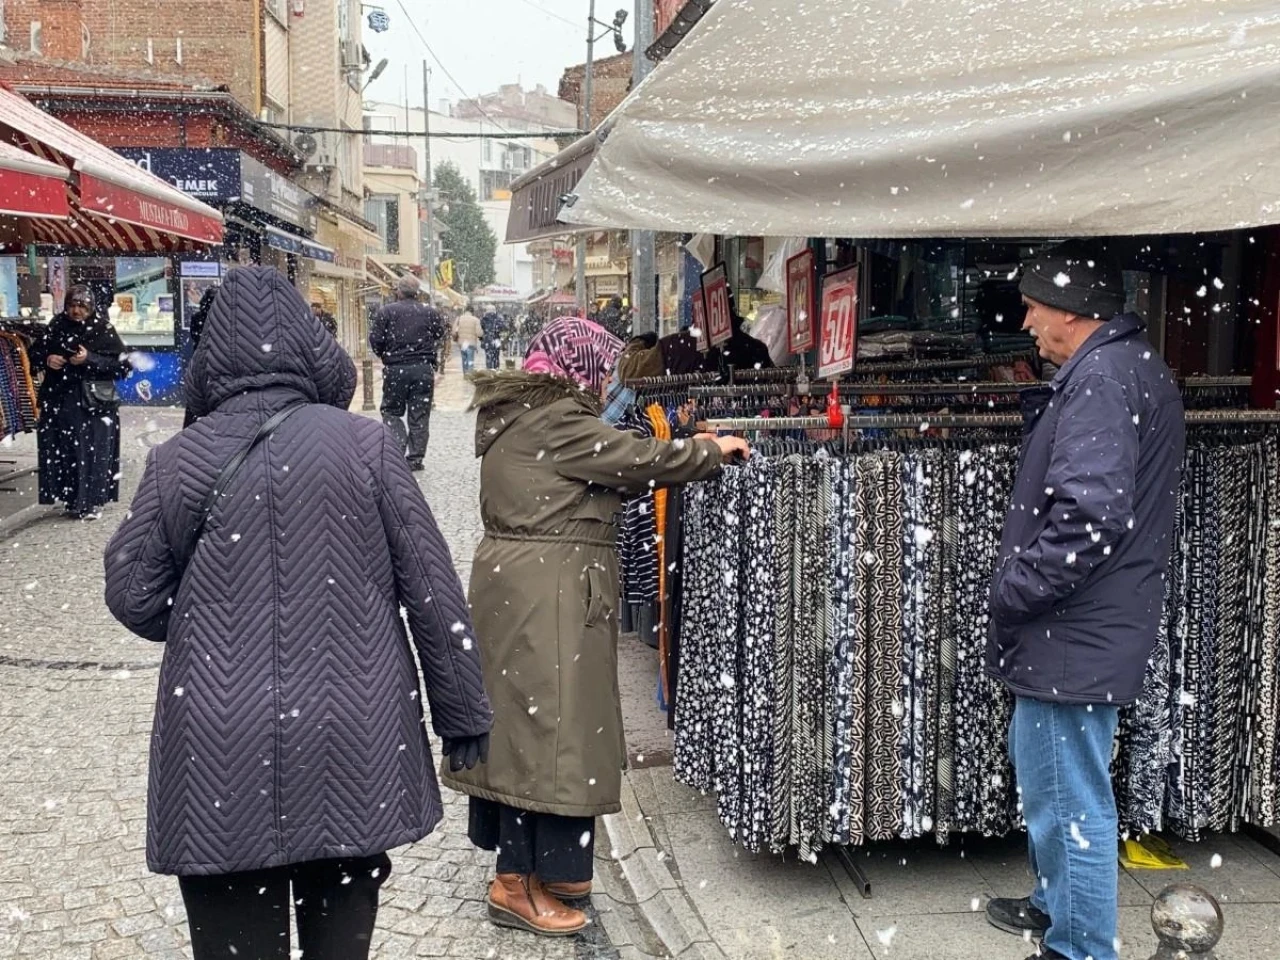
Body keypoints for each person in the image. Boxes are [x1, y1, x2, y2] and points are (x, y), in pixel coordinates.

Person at [103, 266, 492, 960]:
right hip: (353, 736)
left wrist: (212, 616)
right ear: (311, 346)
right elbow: (431, 590)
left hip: (218, 747)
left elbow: (132, 593)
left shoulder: (179, 461)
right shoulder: (368, 447)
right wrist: (462, 713)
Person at [442, 315, 748, 937]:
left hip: (524, 585)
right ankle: (513, 885)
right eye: (599, 367)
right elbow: (637, 458)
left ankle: (549, 865)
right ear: (578, 367)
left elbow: (587, 486)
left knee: (532, 729)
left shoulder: (522, 415)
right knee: (545, 736)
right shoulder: (558, 418)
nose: (605, 379)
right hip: (547, 591)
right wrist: (709, 450)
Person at [984, 242, 1184, 960]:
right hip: (1089, 623)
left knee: (1069, 800)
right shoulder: (1124, 367)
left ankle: (1081, 947)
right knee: (1061, 789)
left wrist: (1015, 589)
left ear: (1072, 309)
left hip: (1071, 630)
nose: (1029, 319)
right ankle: (1056, 910)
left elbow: (1091, 514)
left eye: (1036, 304)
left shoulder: (1101, 378)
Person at [30, 286, 132, 520]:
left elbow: (122, 365)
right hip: (60, 400)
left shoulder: (101, 329)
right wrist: (48, 359)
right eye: (72, 306)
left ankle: (91, 500)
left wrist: (90, 359)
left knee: (91, 452)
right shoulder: (57, 326)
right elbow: (34, 353)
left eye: (81, 307)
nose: (76, 311)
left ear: (91, 307)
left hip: (92, 404)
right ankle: (72, 498)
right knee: (65, 450)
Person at [369, 274, 445, 470]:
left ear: (399, 291)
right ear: (417, 293)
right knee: (419, 413)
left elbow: (375, 339)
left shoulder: (386, 312)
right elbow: (439, 335)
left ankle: (397, 448)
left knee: (391, 411)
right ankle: (416, 458)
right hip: (422, 368)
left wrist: (386, 355)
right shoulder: (430, 313)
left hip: (396, 369)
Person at [454, 302, 483, 376]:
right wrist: (481, 337)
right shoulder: (476, 320)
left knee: (464, 359)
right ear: (472, 312)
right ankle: (470, 375)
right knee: (470, 360)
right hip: (471, 343)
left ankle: (465, 374)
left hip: (462, 343)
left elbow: (454, 331)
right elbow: (479, 333)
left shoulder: (459, 318)